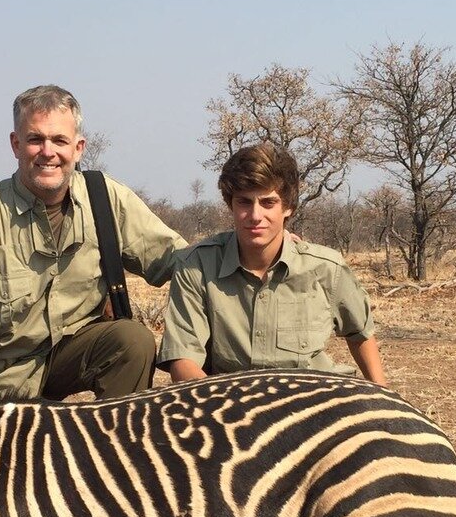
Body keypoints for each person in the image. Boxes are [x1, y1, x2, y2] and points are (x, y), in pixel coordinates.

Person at [0, 85, 187, 401]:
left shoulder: (106, 198)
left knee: (132, 339)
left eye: (59, 140)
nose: (48, 151)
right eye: (35, 139)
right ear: (16, 144)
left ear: (79, 147)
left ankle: (112, 443)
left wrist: (242, 252)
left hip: (69, 356)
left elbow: (180, 262)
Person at [158, 143, 386, 385]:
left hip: (314, 398)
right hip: (229, 402)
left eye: (268, 203)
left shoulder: (327, 268)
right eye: (244, 202)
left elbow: (360, 334)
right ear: (230, 205)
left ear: (288, 207)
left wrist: (385, 402)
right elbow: (183, 361)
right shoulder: (196, 266)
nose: (255, 216)